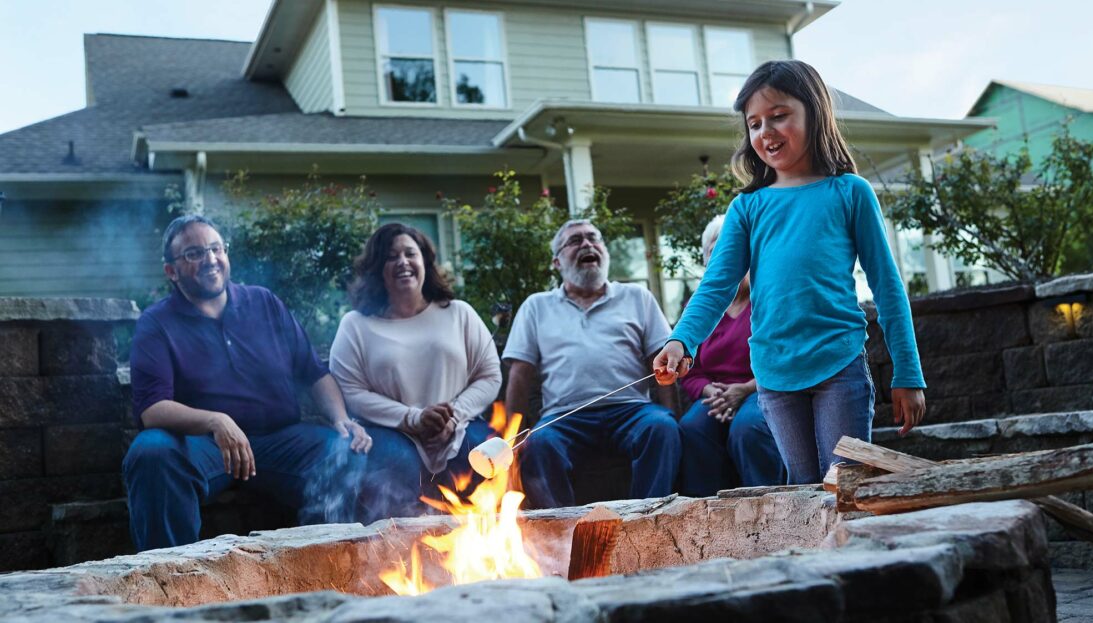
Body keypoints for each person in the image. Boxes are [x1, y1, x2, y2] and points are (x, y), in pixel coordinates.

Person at [655, 60, 927, 485]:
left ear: (814, 113)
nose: (766, 131)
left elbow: (888, 288)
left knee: (845, 488)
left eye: (779, 116)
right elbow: (715, 287)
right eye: (755, 123)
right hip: (775, 375)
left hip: (838, 365)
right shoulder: (747, 207)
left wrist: (907, 373)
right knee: (801, 493)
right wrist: (680, 339)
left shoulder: (850, 192)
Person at [124, 215, 373, 551]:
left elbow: (313, 372)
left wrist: (341, 418)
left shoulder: (264, 303)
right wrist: (216, 421)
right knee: (151, 452)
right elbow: (153, 410)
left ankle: (330, 567)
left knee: (345, 452)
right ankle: (167, 582)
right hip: (206, 448)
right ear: (172, 271)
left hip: (279, 440)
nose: (210, 259)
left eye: (216, 248)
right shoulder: (157, 323)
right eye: (194, 254)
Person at [503, 219, 681, 509]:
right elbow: (520, 375)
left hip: (632, 412)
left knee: (662, 428)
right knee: (538, 444)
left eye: (593, 238)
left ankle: (646, 520)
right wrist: (510, 438)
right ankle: (563, 535)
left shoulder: (637, 297)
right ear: (556, 262)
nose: (586, 244)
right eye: (574, 241)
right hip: (564, 418)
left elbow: (661, 362)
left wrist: (673, 417)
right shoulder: (536, 306)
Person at [329, 223, 501, 521]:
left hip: (458, 426)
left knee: (484, 453)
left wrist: (452, 416)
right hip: (391, 431)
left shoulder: (458, 313)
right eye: (391, 257)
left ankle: (482, 554)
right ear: (377, 269)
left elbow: (489, 374)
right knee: (393, 464)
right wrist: (414, 419)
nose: (403, 262)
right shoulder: (356, 325)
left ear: (425, 261)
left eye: (411, 253)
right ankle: (401, 558)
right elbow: (351, 392)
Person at [678, 215, 786, 496]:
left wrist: (746, 389)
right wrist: (709, 390)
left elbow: (783, 357)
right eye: (717, 249)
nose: (727, 255)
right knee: (691, 428)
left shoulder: (769, 297)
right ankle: (707, 514)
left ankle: (768, 508)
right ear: (706, 261)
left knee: (748, 429)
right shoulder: (698, 306)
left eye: (734, 246)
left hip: (763, 389)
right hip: (716, 395)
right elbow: (691, 370)